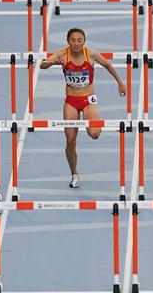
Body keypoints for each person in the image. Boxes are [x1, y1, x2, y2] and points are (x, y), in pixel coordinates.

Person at [40, 28, 126, 188]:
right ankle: (74, 174)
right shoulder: (62, 53)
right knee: (70, 140)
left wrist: (120, 83)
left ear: (84, 41)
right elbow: (42, 65)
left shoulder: (91, 54)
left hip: (88, 100)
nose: (76, 43)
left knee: (95, 133)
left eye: (79, 40)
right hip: (71, 101)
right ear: (68, 41)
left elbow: (108, 65)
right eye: (73, 40)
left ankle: (94, 118)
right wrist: (52, 62)